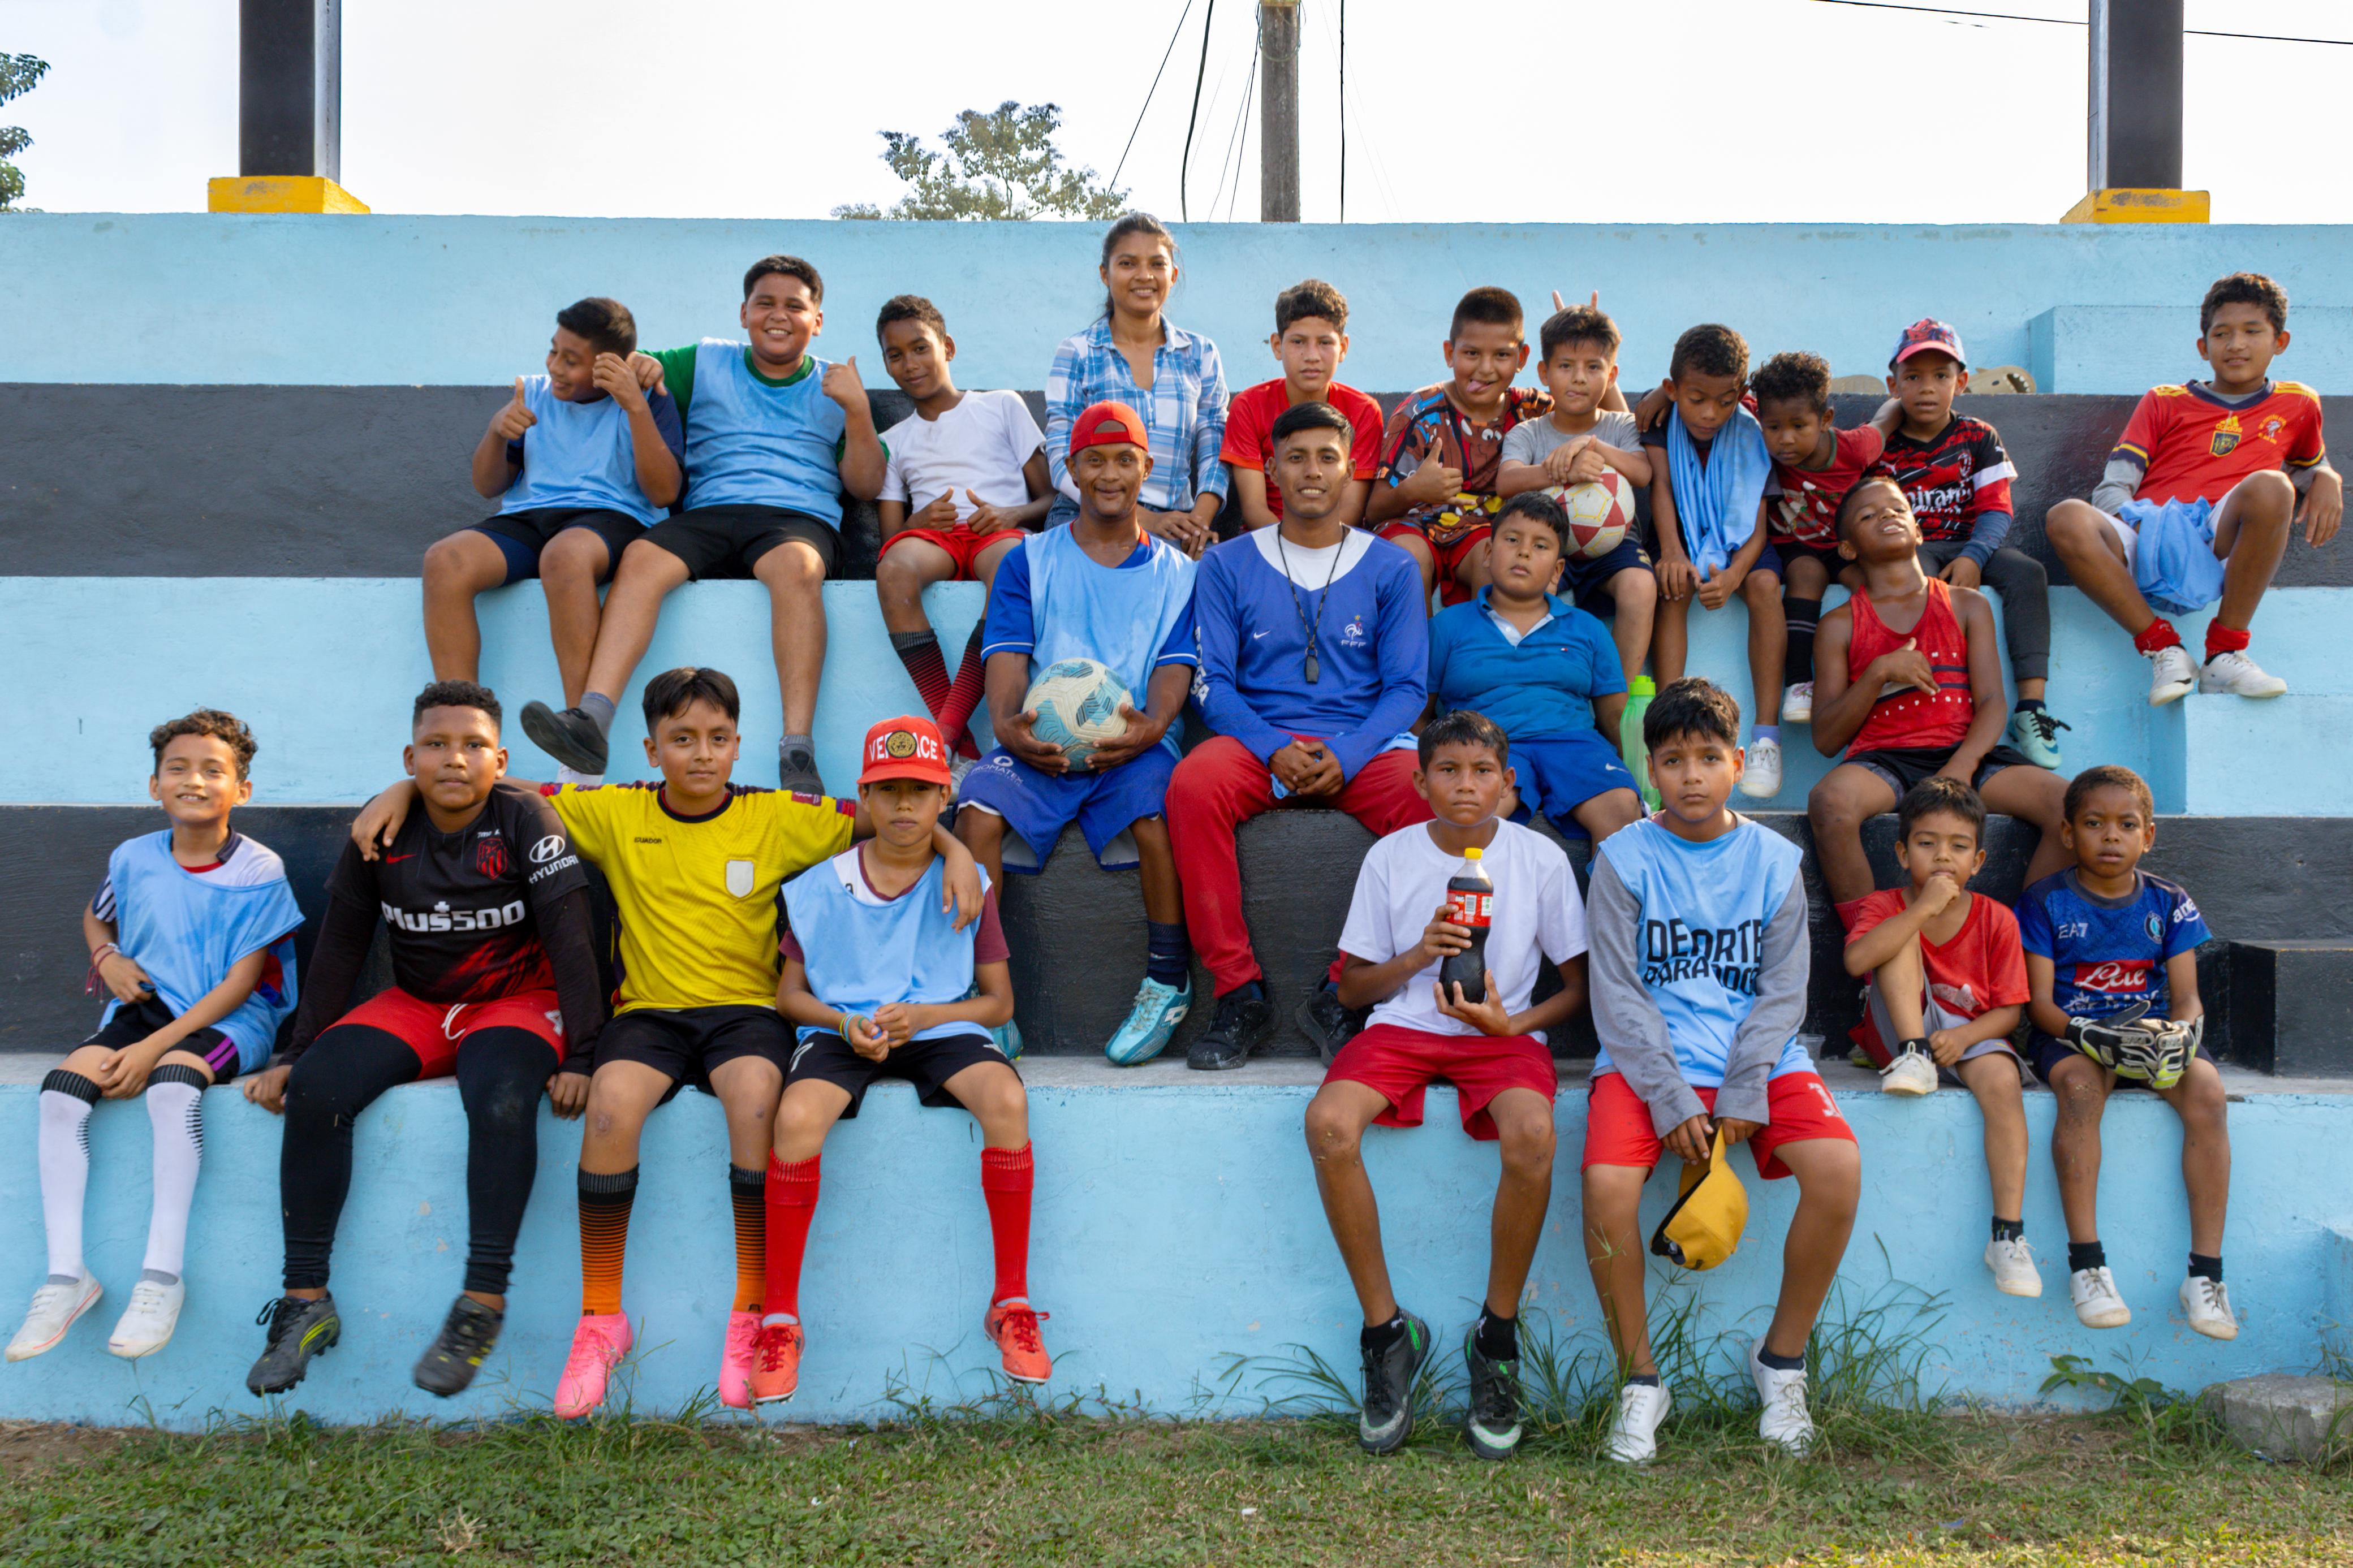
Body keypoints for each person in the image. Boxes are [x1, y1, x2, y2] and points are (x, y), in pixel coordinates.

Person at [346, 666, 982, 1418]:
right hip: (648, 1012)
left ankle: (750, 1313)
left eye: (717, 738)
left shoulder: (782, 815)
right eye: (682, 739)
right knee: (609, 1108)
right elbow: (500, 789)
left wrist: (956, 848)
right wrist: (403, 791)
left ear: (738, 746)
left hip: (746, 1011)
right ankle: (600, 1320)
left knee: (755, 1099)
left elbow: (891, 815)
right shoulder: (616, 809)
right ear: (651, 750)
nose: (701, 754)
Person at [242, 681, 607, 1399]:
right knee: (318, 1087)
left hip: (518, 1000)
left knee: (501, 1093)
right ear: (410, 759)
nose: (454, 758)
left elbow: (573, 942)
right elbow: (341, 946)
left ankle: (481, 1303)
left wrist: (586, 1054)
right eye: (436, 745)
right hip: (419, 1001)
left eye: (473, 745)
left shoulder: (526, 819)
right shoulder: (380, 829)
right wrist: (296, 1051)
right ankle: (305, 1302)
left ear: (500, 759)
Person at [1582, 678, 1859, 1464]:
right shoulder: (1623, 859)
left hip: (1759, 1061)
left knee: (1836, 1169)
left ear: (1738, 763)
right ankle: (1640, 1381)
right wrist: (1670, 1096)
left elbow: (1783, 991)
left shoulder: (1773, 860)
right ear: (1650, 770)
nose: (1692, 776)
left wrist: (1742, 1087)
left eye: (1708, 758)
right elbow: (1617, 993)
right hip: (1648, 1063)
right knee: (1607, 1188)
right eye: (1673, 761)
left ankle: (1782, 1363)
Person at [1306, 711, 1588, 1461]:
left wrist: (1510, 1023)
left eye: (1482, 771)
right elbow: (1353, 988)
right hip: (1402, 1027)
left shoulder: (1539, 858)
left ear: (1508, 782)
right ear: (1419, 780)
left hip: (1499, 1033)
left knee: (1532, 1135)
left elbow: (1578, 987)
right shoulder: (1391, 857)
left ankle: (1496, 1339)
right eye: (1449, 771)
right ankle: (1386, 1335)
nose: (1466, 785)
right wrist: (1417, 955)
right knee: (1328, 1124)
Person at [751, 715, 1045, 1404]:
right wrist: (842, 1021)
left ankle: (1011, 1303)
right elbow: (789, 996)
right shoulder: (822, 885)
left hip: (937, 1022)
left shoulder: (966, 883)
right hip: (843, 1027)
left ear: (945, 796)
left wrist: (927, 1016)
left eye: (920, 790)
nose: (904, 805)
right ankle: (780, 1319)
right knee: (796, 1118)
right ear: (863, 796)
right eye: (888, 790)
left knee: (1007, 1100)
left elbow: (998, 1003)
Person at [519, 255, 887, 796]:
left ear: (818, 320)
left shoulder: (837, 383)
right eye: (764, 303)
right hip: (708, 513)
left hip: (796, 519)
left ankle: (797, 747)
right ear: (743, 313)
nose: (777, 315)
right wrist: (644, 366)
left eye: (794, 306)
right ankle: (591, 719)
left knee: (798, 567)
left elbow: (866, 484)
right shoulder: (705, 360)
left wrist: (857, 411)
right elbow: (631, 363)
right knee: (641, 557)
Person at [8, 710, 301, 1365]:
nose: (193, 780)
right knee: (60, 1093)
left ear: (241, 790)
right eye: (178, 768)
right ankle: (66, 1277)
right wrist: (107, 956)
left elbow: (241, 983)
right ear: (153, 784)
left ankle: (161, 1278)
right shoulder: (133, 856)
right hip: (147, 1007)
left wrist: (151, 1049)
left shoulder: (258, 869)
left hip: (231, 1019)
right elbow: (97, 916)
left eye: (212, 770)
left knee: (172, 1089)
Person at [1169, 401, 1431, 1068]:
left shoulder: (1391, 566)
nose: (1311, 471)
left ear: (1350, 469)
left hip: (1360, 743)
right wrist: (1271, 749)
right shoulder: (1225, 564)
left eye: (1326, 458)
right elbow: (1212, 682)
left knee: (1425, 797)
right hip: (1259, 742)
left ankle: (1342, 992)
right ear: (1271, 470)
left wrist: (1347, 752)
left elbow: (1407, 688)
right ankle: (1237, 993)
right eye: (1295, 458)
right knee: (1193, 783)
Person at [955, 401, 1200, 1065]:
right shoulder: (1030, 560)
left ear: (1147, 468)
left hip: (1133, 743)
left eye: (1124, 460)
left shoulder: (1178, 573)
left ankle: (1166, 979)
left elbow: (1174, 665)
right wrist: (1006, 726)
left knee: (1157, 813)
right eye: (1094, 460)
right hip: (1042, 744)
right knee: (976, 809)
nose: (1109, 474)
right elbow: (1007, 654)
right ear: (1071, 469)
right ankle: (987, 992)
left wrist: (1153, 727)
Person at [2045, 273, 2340, 706]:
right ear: (2203, 347)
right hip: (2148, 531)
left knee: (2273, 486)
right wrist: (2151, 530)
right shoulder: (2164, 400)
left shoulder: (2299, 403)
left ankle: (2225, 653)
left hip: (2219, 535)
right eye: (2222, 334)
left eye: (2252, 331)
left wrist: (2327, 477)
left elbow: (2309, 463)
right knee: (2065, 516)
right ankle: (2163, 648)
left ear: (2281, 341)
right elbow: (2112, 488)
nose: (2236, 344)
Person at [421, 299, 684, 784]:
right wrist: (496, 433)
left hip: (613, 517)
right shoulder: (534, 393)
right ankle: (465, 730)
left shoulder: (647, 396)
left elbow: (664, 492)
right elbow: (487, 485)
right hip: (529, 517)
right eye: (553, 351)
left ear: (609, 365)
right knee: (445, 560)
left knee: (564, 557)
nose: (555, 367)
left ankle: (580, 741)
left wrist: (634, 405)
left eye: (572, 359)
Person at [2019, 764, 2235, 1339]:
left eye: (2126, 824)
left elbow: (2187, 998)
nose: (2111, 835)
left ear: (2148, 835)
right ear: (2068, 833)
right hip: (2074, 1035)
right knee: (2079, 1089)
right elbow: (2038, 1005)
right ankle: (2087, 1265)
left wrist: (2182, 1034)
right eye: (2094, 823)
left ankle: (2206, 1275)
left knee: (2208, 1093)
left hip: (2149, 1034)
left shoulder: (2169, 901)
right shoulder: (2044, 901)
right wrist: (2088, 1035)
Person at [1806, 476, 2070, 923]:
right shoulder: (1839, 624)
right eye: (1868, 516)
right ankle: (1872, 939)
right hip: (1885, 760)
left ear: (1918, 529)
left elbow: (1992, 702)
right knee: (1830, 802)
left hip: (1965, 754)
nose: (1887, 516)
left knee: (2069, 806)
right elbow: (1826, 738)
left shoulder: (1967, 604)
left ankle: (2024, 938)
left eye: (1897, 509)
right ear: (1848, 548)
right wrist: (1878, 672)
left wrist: (1962, 767)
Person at [1840, 777, 2039, 1299]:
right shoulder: (1886, 904)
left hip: (1968, 1038)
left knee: (2002, 1081)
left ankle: (2008, 1235)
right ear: (1903, 853)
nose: (1943, 857)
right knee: (1899, 933)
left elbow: (2011, 1010)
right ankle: (1915, 1054)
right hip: (1900, 1032)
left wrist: (1968, 1035)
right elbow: (1857, 960)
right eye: (1927, 843)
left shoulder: (1997, 919)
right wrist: (1922, 909)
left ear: (1979, 860)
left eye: (1959, 846)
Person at [1870, 320, 2063, 767]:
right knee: (1914, 577)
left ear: (1961, 382)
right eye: (1913, 376)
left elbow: (1997, 509)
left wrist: (1975, 556)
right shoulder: (1882, 445)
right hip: (1913, 548)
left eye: (1941, 375)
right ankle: (1926, 691)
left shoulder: (1978, 435)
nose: (1927, 387)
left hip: (1971, 542)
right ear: (1893, 385)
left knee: (2028, 573)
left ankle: (2032, 707)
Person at [872, 294, 1054, 762]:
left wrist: (1011, 514)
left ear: (947, 347)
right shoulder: (893, 441)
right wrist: (917, 521)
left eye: (921, 348)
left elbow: (1051, 499)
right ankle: (958, 737)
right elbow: (892, 537)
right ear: (886, 366)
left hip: (998, 532)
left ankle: (946, 733)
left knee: (1014, 564)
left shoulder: (1001, 406)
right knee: (893, 570)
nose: (910, 364)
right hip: (936, 541)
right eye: (896, 355)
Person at [1427, 493, 1644, 843]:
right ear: (1488, 553)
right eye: (1512, 540)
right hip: (1487, 748)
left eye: (1540, 546)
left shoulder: (1588, 629)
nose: (1524, 552)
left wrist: (1642, 778)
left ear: (1557, 570)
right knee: (1474, 814)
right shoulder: (1447, 627)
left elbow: (1615, 715)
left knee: (1621, 808)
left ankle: (1608, 885)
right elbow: (1420, 714)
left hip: (1576, 746)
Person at [1639, 325, 1786, 798]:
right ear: (1672, 389)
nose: (1710, 414)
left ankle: (1766, 737)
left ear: (1740, 395)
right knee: (1674, 584)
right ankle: (1667, 727)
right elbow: (1662, 487)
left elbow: (1758, 524)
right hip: (1680, 531)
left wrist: (1736, 574)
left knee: (1764, 586)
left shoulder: (1751, 432)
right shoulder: (1661, 423)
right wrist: (1672, 551)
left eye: (1725, 401)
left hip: (1739, 539)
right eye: (1697, 399)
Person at [1043, 213, 1227, 555]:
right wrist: (1143, 520)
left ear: (1173, 275)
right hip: (1088, 516)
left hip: (1176, 521)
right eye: (1128, 263)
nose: (1144, 276)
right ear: (1105, 274)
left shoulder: (1200, 353)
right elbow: (1059, 453)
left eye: (1157, 264)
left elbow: (1215, 445)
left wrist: (1198, 522)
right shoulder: (1078, 352)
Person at [1496, 303, 1657, 690]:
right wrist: (1561, 470)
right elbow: (1506, 482)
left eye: (1593, 367)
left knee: (1640, 586)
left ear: (1612, 375)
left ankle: (1615, 697)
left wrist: (1592, 446)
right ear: (1544, 373)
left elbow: (1642, 473)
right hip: (1550, 544)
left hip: (1614, 546)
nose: (1579, 378)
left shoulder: (1621, 426)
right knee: (1527, 587)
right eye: (1566, 366)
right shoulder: (1529, 432)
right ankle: (1536, 687)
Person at [1367, 286, 1553, 607]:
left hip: (1486, 530)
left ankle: (1484, 642)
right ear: (1449, 352)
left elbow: (1600, 418)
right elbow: (1374, 511)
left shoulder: (1532, 410)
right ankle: (1416, 642)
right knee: (1409, 561)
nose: (1485, 368)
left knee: (1498, 559)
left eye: (1502, 355)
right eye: (1472, 354)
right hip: (1415, 525)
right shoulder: (1419, 411)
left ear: (1522, 358)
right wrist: (1414, 489)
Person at [1748, 350, 1881, 728]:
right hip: (1795, 546)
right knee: (1807, 574)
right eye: (1773, 427)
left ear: (1825, 420)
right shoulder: (1761, 423)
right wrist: (1661, 396)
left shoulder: (1854, 447)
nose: (1785, 440)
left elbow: (1885, 423)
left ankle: (1870, 674)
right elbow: (1727, 390)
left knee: (1871, 585)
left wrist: (1899, 404)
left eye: (1798, 426)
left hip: (1843, 546)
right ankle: (1798, 683)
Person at [1219, 278, 1386, 534]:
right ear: (1277, 346)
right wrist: (1291, 549)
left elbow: (1351, 511)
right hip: (1268, 536)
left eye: (1325, 343)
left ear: (1343, 348)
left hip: (1338, 540)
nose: (1311, 356)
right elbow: (1254, 509)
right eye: (1298, 342)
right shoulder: (1249, 407)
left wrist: (1315, 549)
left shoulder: (1363, 411)